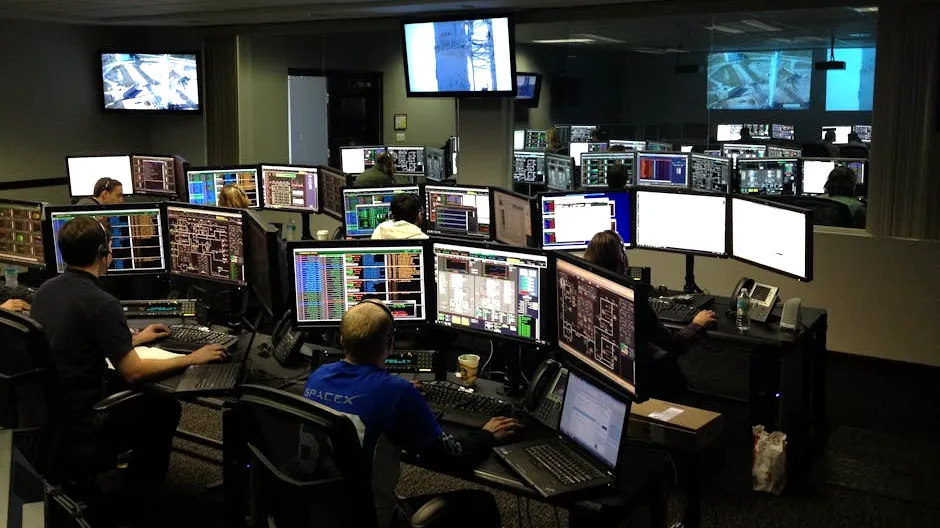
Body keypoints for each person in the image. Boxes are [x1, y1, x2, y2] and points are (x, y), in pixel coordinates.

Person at [30, 217, 227, 495]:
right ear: (103, 253)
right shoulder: (101, 302)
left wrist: (134, 339)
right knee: (165, 408)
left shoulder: (46, 290)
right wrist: (193, 356)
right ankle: (139, 496)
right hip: (85, 419)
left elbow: (75, 337)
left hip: (51, 412)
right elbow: (134, 371)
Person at [302, 301, 519, 528]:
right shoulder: (397, 393)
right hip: (372, 521)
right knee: (482, 504)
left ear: (341, 340)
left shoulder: (318, 376)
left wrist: (398, 394)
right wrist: (488, 435)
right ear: (391, 343)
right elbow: (452, 459)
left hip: (320, 513)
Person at [583, 230, 716, 402]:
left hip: (604, 370)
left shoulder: (585, 286)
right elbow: (673, 344)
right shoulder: (631, 296)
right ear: (621, 259)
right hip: (640, 378)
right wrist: (696, 324)